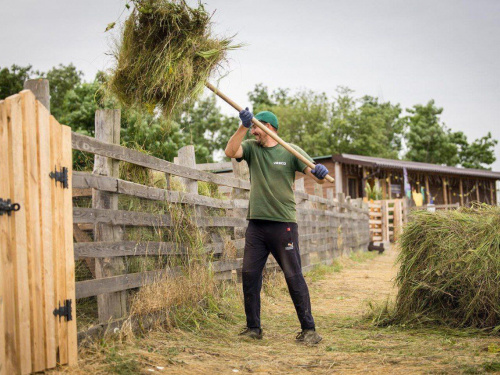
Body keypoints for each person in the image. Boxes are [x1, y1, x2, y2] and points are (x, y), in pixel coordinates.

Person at [225, 108, 329, 345]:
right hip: (257, 225)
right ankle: (253, 328)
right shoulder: (251, 148)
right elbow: (231, 151)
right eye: (251, 128)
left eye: (255, 127)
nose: (253, 132)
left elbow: (316, 175)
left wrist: (320, 172)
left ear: (268, 127)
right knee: (250, 275)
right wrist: (242, 126)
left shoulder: (290, 151)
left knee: (293, 275)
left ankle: (309, 330)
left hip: (283, 225)